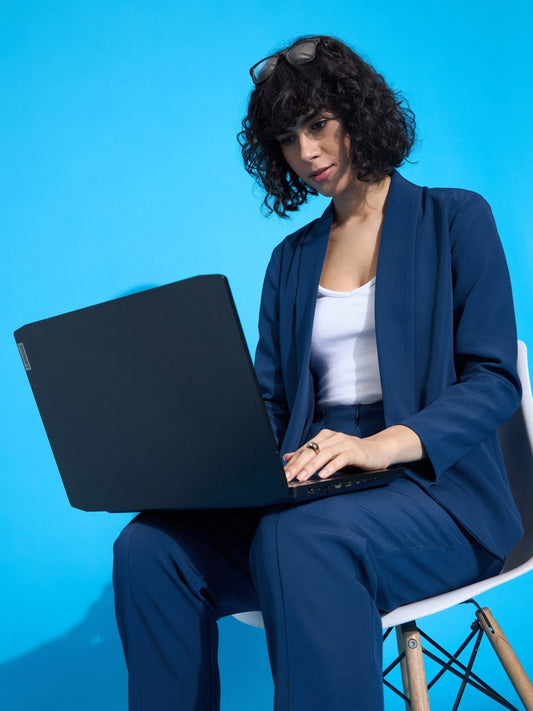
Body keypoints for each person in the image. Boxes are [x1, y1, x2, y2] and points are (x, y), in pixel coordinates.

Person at [112, 35, 523, 711]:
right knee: (148, 548)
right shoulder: (290, 260)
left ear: (357, 112)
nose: (305, 153)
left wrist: (373, 446)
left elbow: (493, 379)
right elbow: (272, 402)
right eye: (285, 138)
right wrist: (211, 469)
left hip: (438, 493)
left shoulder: (455, 218)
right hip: (314, 486)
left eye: (317, 124)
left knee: (297, 536)